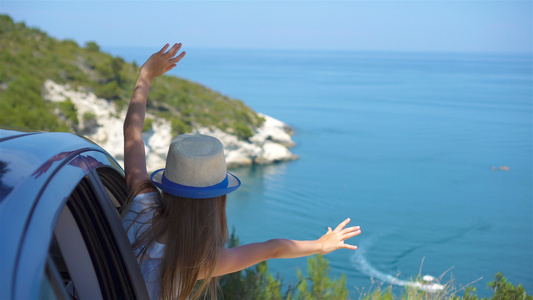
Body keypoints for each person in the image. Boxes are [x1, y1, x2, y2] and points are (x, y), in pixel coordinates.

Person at [121, 43, 362, 300]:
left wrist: (144, 77)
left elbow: (132, 136)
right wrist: (320, 246)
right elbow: (273, 249)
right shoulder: (198, 262)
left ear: (168, 184)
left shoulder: (141, 207)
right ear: (217, 199)